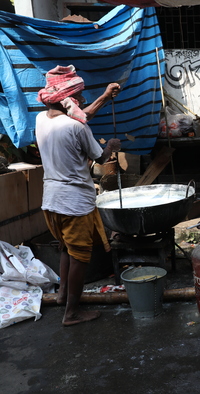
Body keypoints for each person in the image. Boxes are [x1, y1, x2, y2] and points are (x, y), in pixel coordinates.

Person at [35, 65, 122, 326]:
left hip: (50, 201)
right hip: (75, 204)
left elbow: (80, 117)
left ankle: (63, 296)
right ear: (66, 99)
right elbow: (100, 156)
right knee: (80, 258)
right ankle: (71, 313)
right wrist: (111, 146)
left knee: (66, 250)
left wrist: (105, 96)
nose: (81, 100)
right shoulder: (76, 128)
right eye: (78, 96)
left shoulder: (42, 119)